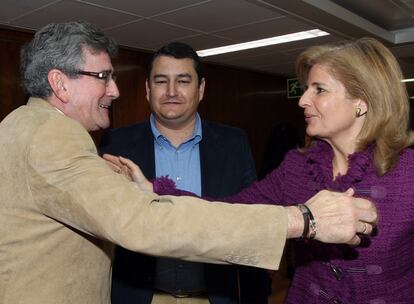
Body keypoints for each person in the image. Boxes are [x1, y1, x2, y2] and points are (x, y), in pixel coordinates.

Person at [0, 20, 377, 304]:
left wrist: (151, 193)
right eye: (103, 77)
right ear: (60, 84)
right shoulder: (53, 137)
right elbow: (143, 222)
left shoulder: (20, 125)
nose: (114, 89)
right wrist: (305, 219)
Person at [138, 37, 413, 304]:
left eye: (319, 89)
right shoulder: (297, 167)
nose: (302, 100)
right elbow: (232, 211)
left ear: (360, 102)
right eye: (306, 88)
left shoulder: (408, 173)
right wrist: (157, 191)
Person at [100, 42, 269, 304]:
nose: (171, 91)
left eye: (183, 81)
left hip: (212, 298)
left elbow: (251, 227)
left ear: (200, 89)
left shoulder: (233, 144)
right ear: (147, 89)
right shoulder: (116, 145)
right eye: (160, 81)